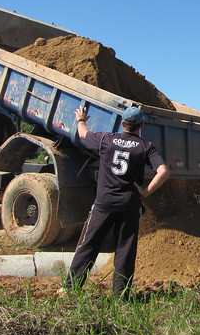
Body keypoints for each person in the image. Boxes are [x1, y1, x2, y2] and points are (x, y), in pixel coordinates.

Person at [62, 105, 170, 298]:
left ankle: (71, 289)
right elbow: (163, 171)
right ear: (141, 125)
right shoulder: (146, 146)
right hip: (130, 205)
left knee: (89, 245)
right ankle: (121, 296)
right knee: (125, 250)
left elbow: (84, 134)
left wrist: (80, 119)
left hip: (104, 203)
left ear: (122, 124)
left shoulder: (106, 139)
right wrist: (145, 191)